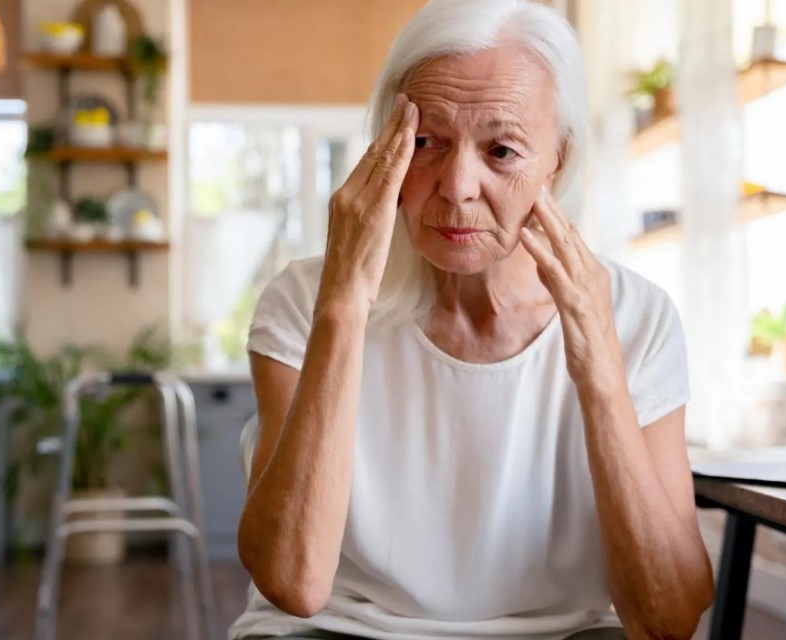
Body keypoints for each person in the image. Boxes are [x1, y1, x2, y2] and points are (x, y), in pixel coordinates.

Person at [230, 1, 714, 638]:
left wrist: (598, 365)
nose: (457, 186)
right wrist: (344, 306)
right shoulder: (305, 300)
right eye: (425, 143)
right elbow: (294, 582)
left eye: (503, 150)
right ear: (387, 148)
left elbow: (669, 616)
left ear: (558, 161)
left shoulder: (636, 316)